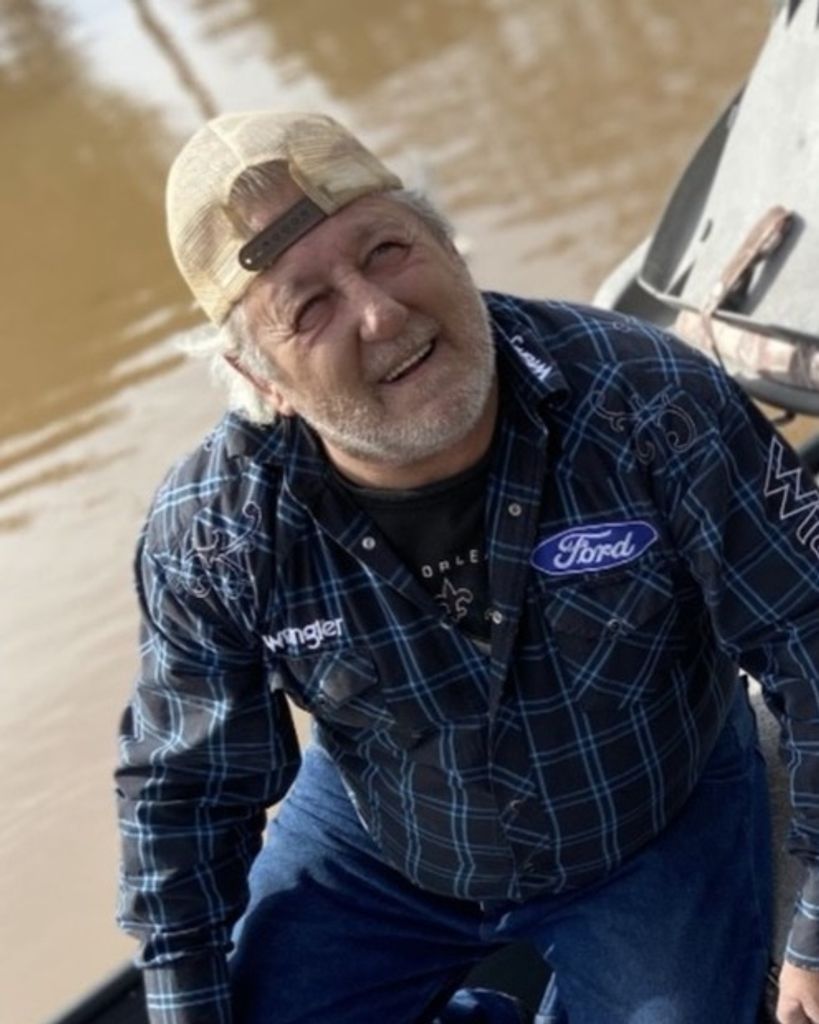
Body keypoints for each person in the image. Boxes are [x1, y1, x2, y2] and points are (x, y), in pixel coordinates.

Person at [114, 110, 819, 1024]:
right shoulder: (214, 533)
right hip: (385, 834)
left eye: (386, 250)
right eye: (310, 307)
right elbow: (184, 795)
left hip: (651, 812)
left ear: (448, 245)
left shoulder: (652, 403)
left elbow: (807, 636)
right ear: (262, 382)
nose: (379, 313)